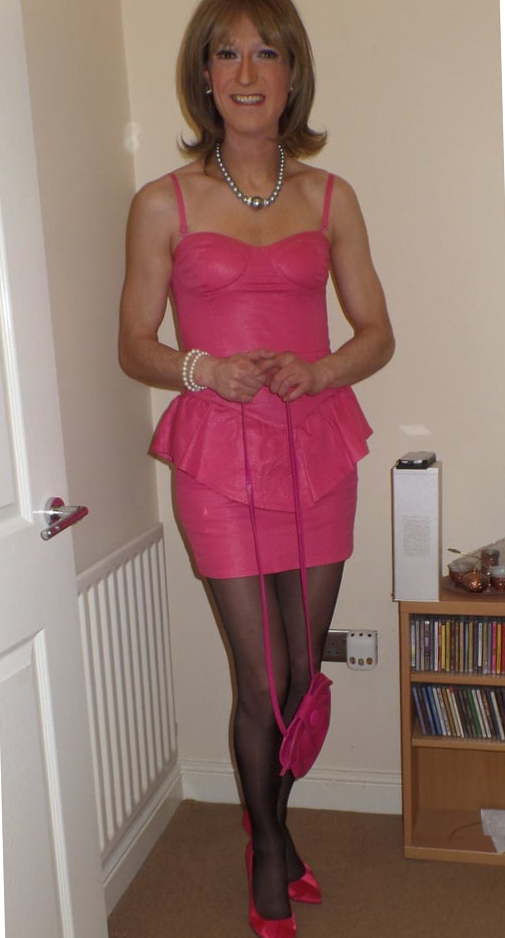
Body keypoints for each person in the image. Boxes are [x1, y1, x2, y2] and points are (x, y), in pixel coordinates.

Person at [119, 0, 394, 934]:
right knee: (260, 678)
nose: (245, 72)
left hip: (316, 450)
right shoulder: (161, 201)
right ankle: (269, 847)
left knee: (300, 676)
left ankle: (270, 822)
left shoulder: (331, 198)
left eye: (265, 53)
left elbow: (375, 333)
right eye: (226, 54)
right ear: (204, 76)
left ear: (291, 74)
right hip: (216, 460)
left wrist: (322, 370)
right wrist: (202, 368)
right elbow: (134, 344)